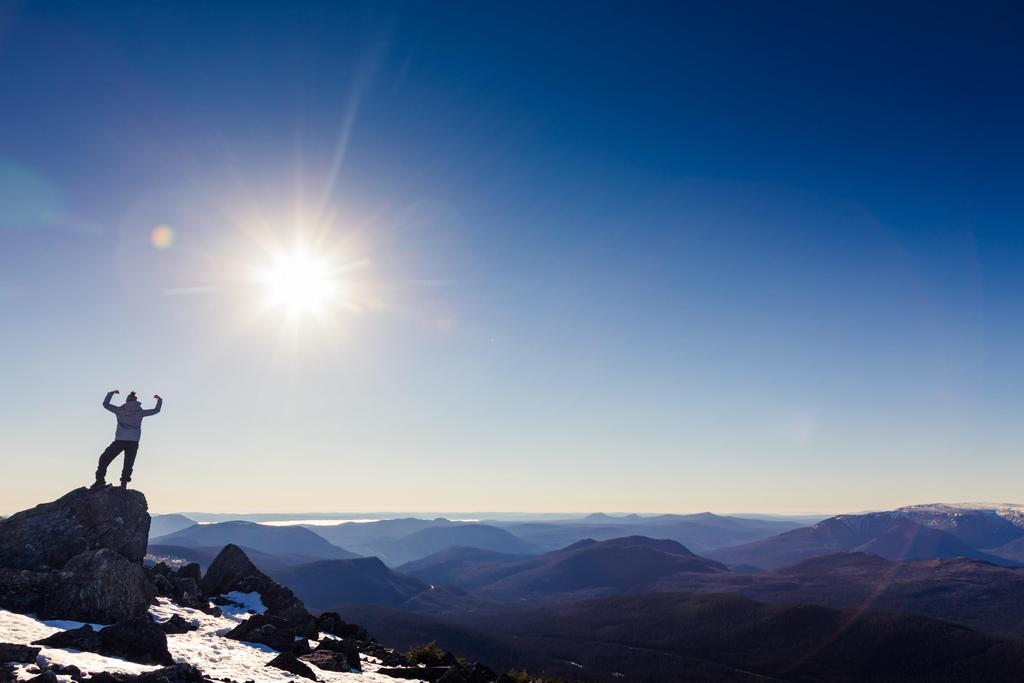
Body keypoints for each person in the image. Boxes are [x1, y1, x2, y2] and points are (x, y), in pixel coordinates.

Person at [92, 389, 163, 489]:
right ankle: (124, 483)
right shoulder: (140, 412)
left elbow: (106, 404)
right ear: (136, 401)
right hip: (133, 441)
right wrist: (159, 400)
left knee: (104, 458)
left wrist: (111, 394)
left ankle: (100, 480)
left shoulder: (120, 410)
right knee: (128, 463)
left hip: (120, 440)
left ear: (127, 400)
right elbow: (156, 410)